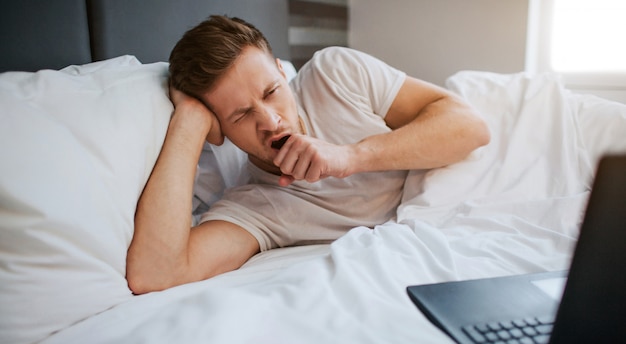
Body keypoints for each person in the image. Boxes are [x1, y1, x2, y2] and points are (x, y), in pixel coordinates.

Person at [126, 15, 490, 294]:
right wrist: (190, 123)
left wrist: (352, 157)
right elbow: (157, 274)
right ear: (219, 131)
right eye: (240, 115)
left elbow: (471, 126)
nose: (270, 121)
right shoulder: (255, 207)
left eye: (271, 91)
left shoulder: (334, 74)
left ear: (283, 73)